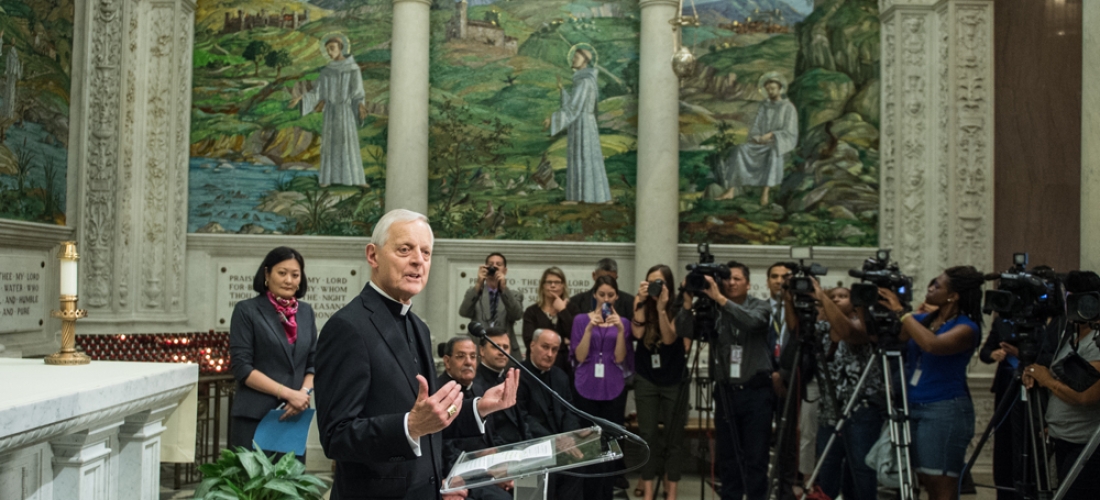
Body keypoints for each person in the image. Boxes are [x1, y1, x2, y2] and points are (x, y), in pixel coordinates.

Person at [314, 209, 519, 500]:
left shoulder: (418, 327)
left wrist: (480, 408)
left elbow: (431, 419)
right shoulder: (347, 327)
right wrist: (409, 426)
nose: (418, 261)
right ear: (373, 255)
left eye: (426, 252)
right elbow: (337, 437)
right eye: (405, 249)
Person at [878, 266, 985, 500]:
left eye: (937, 285)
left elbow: (933, 345)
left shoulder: (966, 328)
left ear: (953, 295)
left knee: (941, 484)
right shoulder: (925, 320)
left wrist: (902, 312)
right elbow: (895, 334)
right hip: (913, 406)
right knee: (924, 479)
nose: (930, 288)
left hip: (944, 409)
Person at [675, 262, 772, 500]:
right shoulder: (711, 309)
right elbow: (684, 331)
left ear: (748, 284)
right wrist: (687, 302)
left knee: (756, 456)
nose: (732, 283)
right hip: (726, 390)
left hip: (756, 391)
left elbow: (752, 323)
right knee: (728, 456)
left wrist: (720, 299)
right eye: (728, 279)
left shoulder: (760, 306)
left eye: (737, 279)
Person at [796, 285, 884, 500]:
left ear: (854, 302)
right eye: (832, 297)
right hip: (829, 408)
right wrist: (792, 299)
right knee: (828, 465)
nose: (836, 300)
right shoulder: (823, 328)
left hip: (860, 408)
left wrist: (822, 296)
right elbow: (795, 329)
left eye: (842, 296)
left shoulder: (864, 326)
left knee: (861, 466)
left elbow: (848, 333)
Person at [229, 246, 318, 452]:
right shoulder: (247, 310)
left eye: (295, 275)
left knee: (290, 483)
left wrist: (302, 394)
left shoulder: (306, 312)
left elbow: (314, 363)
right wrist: (289, 394)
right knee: (252, 483)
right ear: (266, 274)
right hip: (254, 416)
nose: (289, 280)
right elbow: (242, 367)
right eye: (282, 273)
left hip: (294, 415)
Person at [1023, 271, 1100, 500]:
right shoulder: (1073, 335)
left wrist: (1047, 379)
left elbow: (1086, 395)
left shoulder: (1096, 341)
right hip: (1065, 437)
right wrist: (1036, 375)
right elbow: (1066, 379)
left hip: (1086, 444)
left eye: (1067, 297)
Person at [571, 274, 634, 499]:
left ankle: (607, 491)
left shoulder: (623, 323)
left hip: (613, 386)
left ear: (616, 297)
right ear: (594, 295)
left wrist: (618, 331)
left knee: (610, 440)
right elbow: (579, 355)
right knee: (587, 440)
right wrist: (589, 328)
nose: (605, 299)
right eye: (601, 294)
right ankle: (586, 491)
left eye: (610, 295)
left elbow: (619, 358)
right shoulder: (580, 319)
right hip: (586, 383)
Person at [631, 265, 690, 500]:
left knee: (674, 438)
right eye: (650, 281)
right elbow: (636, 334)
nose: (654, 286)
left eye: (659, 282)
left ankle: (671, 492)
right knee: (647, 436)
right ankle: (647, 492)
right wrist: (641, 301)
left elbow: (668, 338)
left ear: (669, 285)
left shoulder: (680, 306)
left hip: (674, 378)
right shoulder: (642, 302)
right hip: (646, 376)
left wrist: (662, 307)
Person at [289, 34, 368, 188]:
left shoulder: (352, 69)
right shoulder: (327, 71)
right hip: (331, 113)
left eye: (332, 48)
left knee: (347, 143)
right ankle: (328, 178)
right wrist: (301, 99)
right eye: (327, 50)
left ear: (341, 48)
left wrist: (360, 104)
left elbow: (358, 92)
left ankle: (355, 179)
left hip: (345, 112)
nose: (330, 52)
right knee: (330, 144)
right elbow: (317, 92)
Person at [437, 337, 512, 500]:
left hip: (487, 468)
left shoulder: (480, 389)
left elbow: (493, 434)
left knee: (528, 482)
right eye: (461, 356)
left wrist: (503, 460)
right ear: (447, 361)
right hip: (460, 474)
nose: (468, 362)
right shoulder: (438, 394)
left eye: (472, 356)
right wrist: (487, 472)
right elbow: (446, 450)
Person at [517, 328, 584, 498]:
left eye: (554, 350)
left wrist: (569, 436)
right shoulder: (517, 376)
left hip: (561, 445)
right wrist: (554, 440)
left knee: (579, 465)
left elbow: (570, 411)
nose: (549, 354)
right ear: (532, 346)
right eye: (545, 347)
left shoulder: (560, 376)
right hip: (530, 445)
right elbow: (521, 417)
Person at [714, 73, 798, 206]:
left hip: (777, 145)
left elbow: (790, 132)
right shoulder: (764, 106)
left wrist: (772, 135)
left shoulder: (788, 108)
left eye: (773, 88)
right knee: (740, 149)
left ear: (780, 89)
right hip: (760, 144)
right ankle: (731, 191)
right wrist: (757, 137)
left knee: (772, 153)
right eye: (768, 89)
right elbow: (756, 127)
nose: (770, 91)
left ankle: (765, 193)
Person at [544, 43, 611, 205]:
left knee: (583, 156)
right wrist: (562, 91)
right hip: (584, 122)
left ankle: (581, 197)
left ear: (585, 61)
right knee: (584, 156)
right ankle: (591, 196)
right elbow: (575, 104)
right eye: (573, 56)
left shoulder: (584, 82)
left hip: (582, 124)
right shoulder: (585, 80)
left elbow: (574, 107)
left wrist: (553, 119)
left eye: (577, 57)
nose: (573, 59)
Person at [460, 252, 525, 359]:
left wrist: (503, 288)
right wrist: (479, 284)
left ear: (505, 270)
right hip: (478, 350)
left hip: (505, 352)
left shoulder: (514, 295)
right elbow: (464, 312)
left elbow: (516, 315)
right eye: (491, 264)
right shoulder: (474, 293)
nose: (494, 266)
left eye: (498, 264)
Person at [475, 327, 531, 446]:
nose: (502, 352)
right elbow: (487, 432)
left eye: (505, 347)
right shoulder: (475, 383)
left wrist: (529, 443)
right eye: (495, 347)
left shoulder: (508, 377)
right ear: (482, 351)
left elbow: (521, 420)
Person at [522, 266, 577, 372]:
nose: (553, 285)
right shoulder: (532, 311)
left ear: (563, 286)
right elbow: (530, 341)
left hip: (564, 366)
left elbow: (575, 336)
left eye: (557, 282)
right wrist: (562, 342)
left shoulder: (571, 309)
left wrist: (562, 311)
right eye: (549, 282)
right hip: (536, 366)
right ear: (542, 286)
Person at [568, 258, 636, 321]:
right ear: (594, 276)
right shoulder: (576, 302)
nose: (605, 283)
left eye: (610, 279)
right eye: (601, 279)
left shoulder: (629, 302)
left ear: (616, 278)